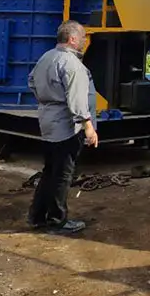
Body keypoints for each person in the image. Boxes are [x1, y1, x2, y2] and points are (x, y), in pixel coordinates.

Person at [27, 19, 99, 232]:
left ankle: (37, 216)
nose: (85, 42)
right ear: (73, 39)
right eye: (83, 38)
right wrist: (88, 126)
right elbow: (77, 100)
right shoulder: (72, 64)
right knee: (62, 175)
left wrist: (47, 100)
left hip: (48, 122)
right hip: (66, 127)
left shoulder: (46, 58)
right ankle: (57, 221)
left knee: (50, 172)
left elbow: (31, 81)